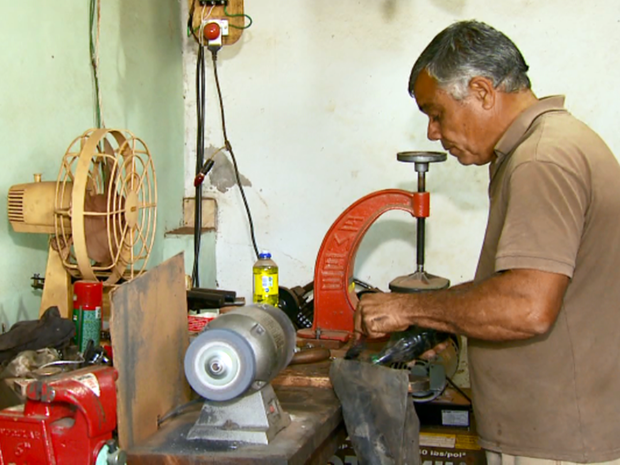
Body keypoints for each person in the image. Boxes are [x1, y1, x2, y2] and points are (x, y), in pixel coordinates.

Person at [355, 20, 620, 464]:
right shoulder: (558, 144)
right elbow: (535, 289)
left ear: (481, 91)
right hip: (564, 432)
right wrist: (453, 321)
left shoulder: (542, 159)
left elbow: (527, 306)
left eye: (435, 113)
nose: (432, 134)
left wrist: (409, 308)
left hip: (558, 446)